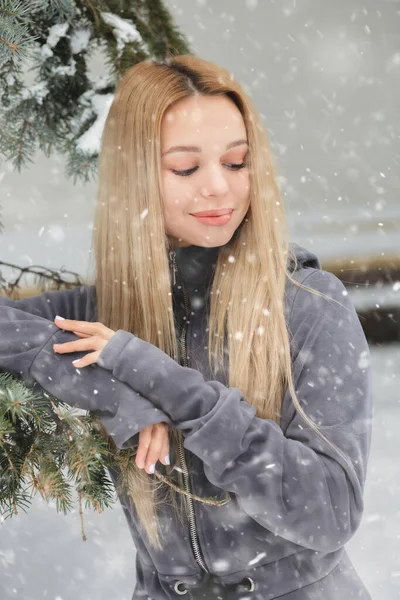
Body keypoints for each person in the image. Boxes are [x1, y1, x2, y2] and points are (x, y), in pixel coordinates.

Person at [0, 55, 372, 599]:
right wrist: (116, 394)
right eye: (186, 168)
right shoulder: (106, 310)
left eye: (237, 162)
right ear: (135, 179)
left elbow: (330, 513)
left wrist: (164, 382)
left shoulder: (312, 307)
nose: (219, 188)